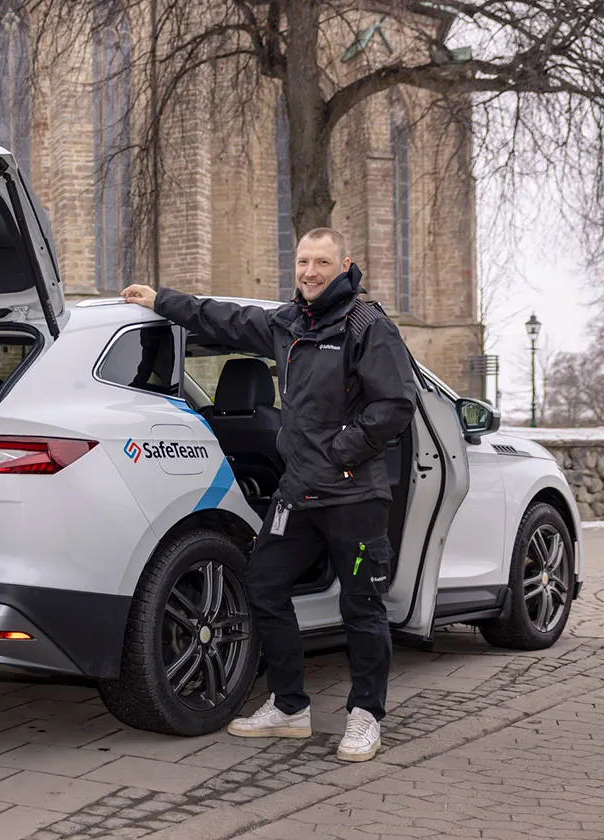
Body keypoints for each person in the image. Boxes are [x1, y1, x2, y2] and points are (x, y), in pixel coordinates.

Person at [121, 228, 416, 762]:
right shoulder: (287, 323)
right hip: (299, 493)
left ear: (343, 265)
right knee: (263, 587)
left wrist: (342, 450)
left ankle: (366, 715)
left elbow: (396, 405)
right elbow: (223, 317)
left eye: (321, 263)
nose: (310, 272)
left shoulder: (367, 326)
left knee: (362, 606)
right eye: (303, 262)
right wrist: (161, 300)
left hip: (353, 497)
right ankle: (289, 706)